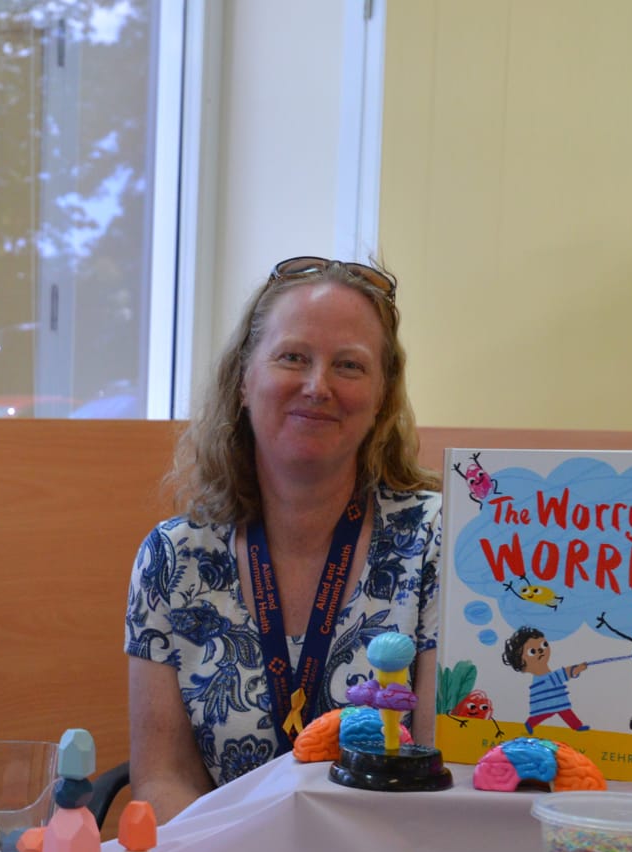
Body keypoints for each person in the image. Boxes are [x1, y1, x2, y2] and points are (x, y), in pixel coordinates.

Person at [126, 257, 440, 821]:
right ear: (244, 380)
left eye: (349, 366)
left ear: (382, 401)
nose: (318, 387)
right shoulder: (174, 559)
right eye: (293, 357)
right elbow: (162, 777)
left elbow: (447, 767)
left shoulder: (439, 543)